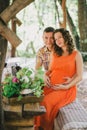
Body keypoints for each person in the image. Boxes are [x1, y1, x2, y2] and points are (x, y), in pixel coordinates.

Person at [35, 28, 83, 130]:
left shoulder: (76, 54)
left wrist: (67, 86)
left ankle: (44, 127)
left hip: (65, 90)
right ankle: (36, 126)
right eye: (56, 39)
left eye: (60, 37)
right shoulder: (55, 53)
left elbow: (79, 76)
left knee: (45, 102)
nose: (58, 41)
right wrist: (45, 75)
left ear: (66, 37)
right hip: (49, 86)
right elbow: (50, 70)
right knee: (36, 98)